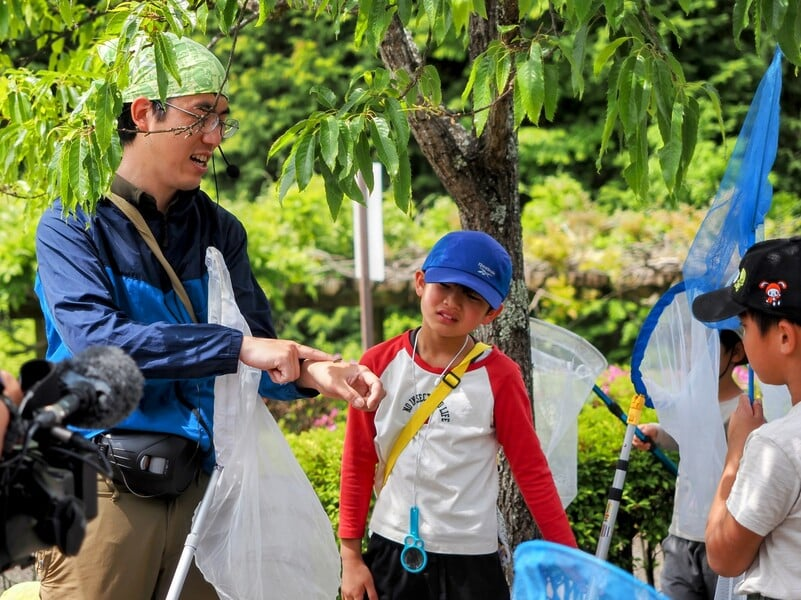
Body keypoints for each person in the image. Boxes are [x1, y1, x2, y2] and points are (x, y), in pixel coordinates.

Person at [33, 32, 384, 600]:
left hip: (203, 493)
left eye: (222, 118)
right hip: (102, 493)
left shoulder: (221, 230)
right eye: (201, 115)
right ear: (143, 114)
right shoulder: (72, 223)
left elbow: (259, 348)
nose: (215, 137)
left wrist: (314, 373)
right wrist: (237, 347)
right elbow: (97, 342)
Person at [338, 230, 577, 600]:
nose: (452, 302)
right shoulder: (378, 364)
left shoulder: (500, 376)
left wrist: (570, 559)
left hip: (472, 559)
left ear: (492, 312)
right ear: (421, 282)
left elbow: (532, 471)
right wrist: (351, 557)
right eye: (444, 286)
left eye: (471, 295)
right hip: (391, 549)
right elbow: (358, 460)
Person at [692, 237, 801, 600]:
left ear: (784, 336)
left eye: (744, 327)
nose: (743, 339)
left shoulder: (778, 446)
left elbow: (723, 556)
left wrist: (736, 452)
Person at [632, 328, 747, 599]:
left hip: (723, 536)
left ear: (736, 353)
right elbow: (688, 437)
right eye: (690, 349)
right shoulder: (692, 402)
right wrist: (658, 433)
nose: (694, 359)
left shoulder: (744, 411)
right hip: (681, 532)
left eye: (706, 350)